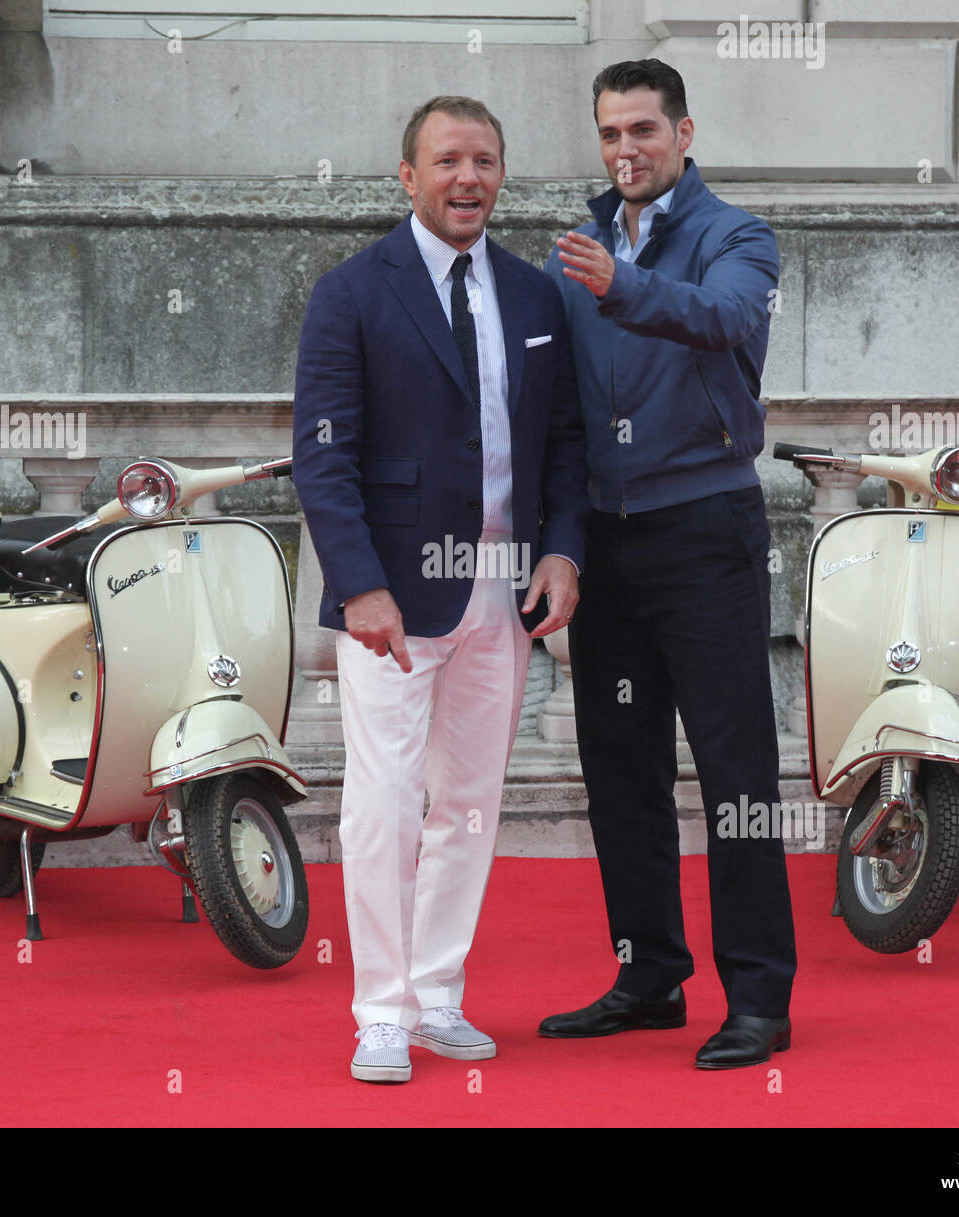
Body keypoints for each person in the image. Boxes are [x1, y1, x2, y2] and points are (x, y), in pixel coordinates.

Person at [292, 96, 588, 1084]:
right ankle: (378, 1011)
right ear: (408, 177)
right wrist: (359, 585)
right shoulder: (350, 293)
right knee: (381, 800)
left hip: (502, 593)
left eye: (486, 160)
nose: (470, 177)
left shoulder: (536, 296)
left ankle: (436, 994)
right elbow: (323, 459)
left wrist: (562, 552)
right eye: (449, 160)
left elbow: (562, 444)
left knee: (468, 802)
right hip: (392, 602)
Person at [536, 59, 797, 1069]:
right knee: (619, 771)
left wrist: (626, 283)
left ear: (684, 133)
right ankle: (648, 976)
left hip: (706, 532)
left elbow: (727, 318)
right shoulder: (579, 243)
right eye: (608, 133)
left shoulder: (735, 235)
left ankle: (760, 998)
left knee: (735, 773)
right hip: (608, 540)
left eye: (642, 130)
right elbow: (556, 406)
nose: (624, 150)